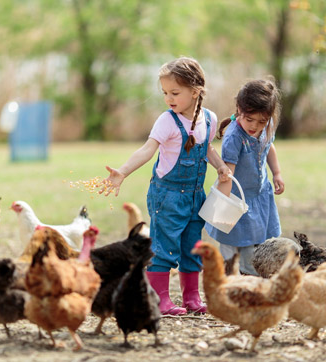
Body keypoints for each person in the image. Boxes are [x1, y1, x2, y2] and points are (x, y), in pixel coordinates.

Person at [99, 57, 231, 315]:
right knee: (164, 247)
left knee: (192, 246)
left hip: (195, 196)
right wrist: (123, 171)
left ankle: (191, 297)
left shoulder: (209, 118)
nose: (168, 98)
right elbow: (148, 150)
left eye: (175, 93)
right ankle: (160, 299)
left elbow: (207, 149)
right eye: (165, 93)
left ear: (195, 92)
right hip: (167, 196)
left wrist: (221, 166)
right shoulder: (167, 121)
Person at [206, 78, 285, 275]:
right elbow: (228, 175)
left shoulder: (267, 126)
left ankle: (252, 275)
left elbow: (269, 147)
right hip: (236, 198)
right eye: (249, 120)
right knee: (231, 243)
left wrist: (276, 173)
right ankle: (230, 280)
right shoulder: (234, 137)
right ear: (239, 110)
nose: (255, 126)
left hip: (259, 194)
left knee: (257, 241)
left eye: (261, 121)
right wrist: (223, 207)